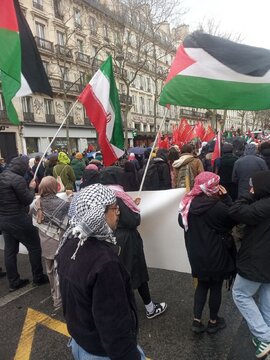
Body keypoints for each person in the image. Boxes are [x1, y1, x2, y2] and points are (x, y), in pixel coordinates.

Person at [56, 183, 146, 360]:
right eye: (114, 208)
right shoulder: (105, 263)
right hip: (103, 352)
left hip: (80, 342)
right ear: (97, 214)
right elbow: (114, 324)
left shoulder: (68, 245)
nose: (118, 213)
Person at [100, 166, 167, 319]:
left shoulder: (101, 195)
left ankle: (118, 309)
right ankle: (149, 308)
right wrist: (134, 211)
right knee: (136, 273)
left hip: (108, 239)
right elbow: (133, 220)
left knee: (116, 274)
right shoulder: (117, 195)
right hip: (126, 241)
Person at [178, 172, 236, 334]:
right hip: (216, 253)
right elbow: (232, 218)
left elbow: (181, 224)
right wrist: (226, 198)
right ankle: (213, 321)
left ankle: (196, 321)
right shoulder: (217, 206)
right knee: (215, 286)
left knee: (202, 285)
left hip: (196, 253)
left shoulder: (187, 204)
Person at [229, 170, 270, 359]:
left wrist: (249, 194)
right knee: (265, 295)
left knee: (240, 293)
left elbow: (235, 211)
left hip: (257, 260)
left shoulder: (262, 206)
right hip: (266, 263)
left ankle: (265, 337)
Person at [0, 157, 48, 291]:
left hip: (4, 219)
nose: (27, 168)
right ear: (21, 167)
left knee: (10, 251)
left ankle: (14, 281)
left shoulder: (2, 176)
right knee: (34, 246)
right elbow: (27, 199)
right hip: (18, 218)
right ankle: (38, 277)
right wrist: (32, 188)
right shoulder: (17, 179)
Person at [32, 176, 70, 310]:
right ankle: (62, 299)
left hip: (45, 243)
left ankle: (55, 298)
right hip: (60, 243)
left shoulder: (36, 204)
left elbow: (34, 221)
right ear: (54, 187)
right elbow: (69, 222)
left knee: (49, 271)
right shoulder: (63, 205)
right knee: (60, 271)